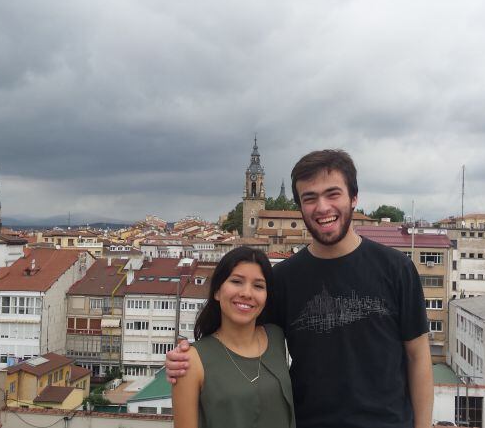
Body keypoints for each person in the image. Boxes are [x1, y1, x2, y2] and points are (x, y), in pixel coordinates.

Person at [168, 150, 433, 428]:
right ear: (300, 207)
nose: (322, 207)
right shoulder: (282, 279)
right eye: (310, 198)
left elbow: (418, 356)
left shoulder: (396, 268)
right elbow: (241, 338)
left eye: (333, 194)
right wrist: (189, 358)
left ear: (354, 198)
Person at [171, 246, 294, 428]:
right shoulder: (190, 362)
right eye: (237, 281)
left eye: (258, 286)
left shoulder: (276, 337)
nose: (246, 293)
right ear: (217, 291)